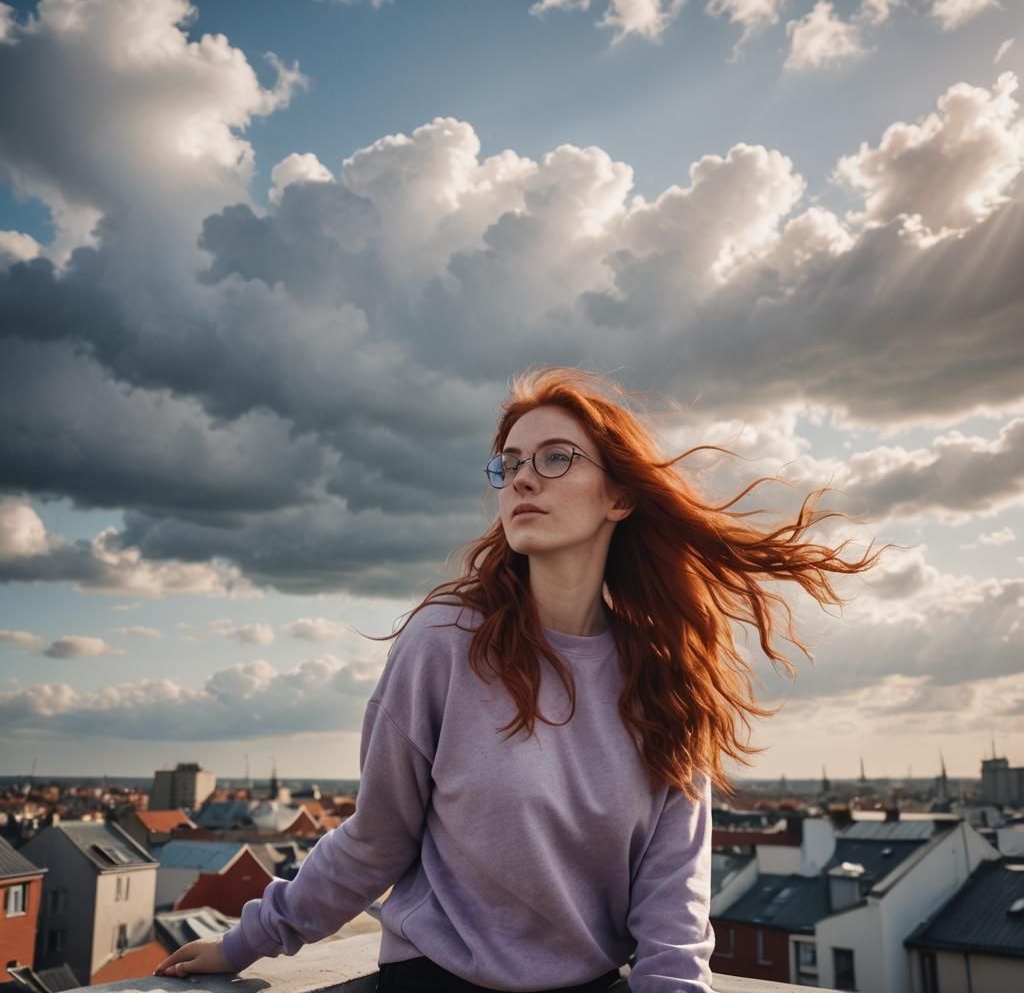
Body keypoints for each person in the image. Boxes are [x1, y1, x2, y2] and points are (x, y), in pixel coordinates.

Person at [153, 366, 893, 991]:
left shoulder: (666, 677)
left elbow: (674, 898)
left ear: (619, 496)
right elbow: (377, 839)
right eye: (508, 464)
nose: (521, 481)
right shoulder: (444, 642)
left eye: (555, 458)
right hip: (436, 981)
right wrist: (248, 941)